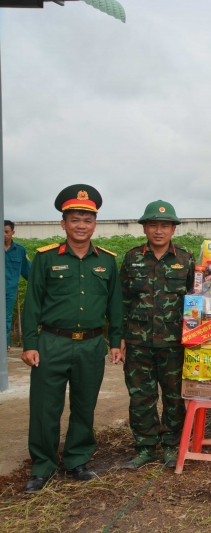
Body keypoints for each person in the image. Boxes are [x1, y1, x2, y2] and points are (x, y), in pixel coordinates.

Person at [20, 185, 123, 494]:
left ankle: (77, 460)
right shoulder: (46, 258)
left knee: (84, 405)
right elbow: (33, 304)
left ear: (95, 224)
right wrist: (28, 344)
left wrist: (115, 341)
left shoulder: (106, 261)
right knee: (44, 407)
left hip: (91, 345)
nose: (81, 225)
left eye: (87, 219)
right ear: (63, 224)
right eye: (75, 219)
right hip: (52, 343)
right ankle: (43, 466)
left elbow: (114, 304)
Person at [119, 201, 194, 469]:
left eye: (164, 225)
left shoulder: (185, 258)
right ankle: (145, 447)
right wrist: (121, 337)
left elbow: (194, 301)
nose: (158, 231)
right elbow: (123, 300)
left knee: (174, 396)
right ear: (144, 228)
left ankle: (173, 446)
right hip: (139, 342)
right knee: (141, 397)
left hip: (174, 343)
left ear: (173, 228)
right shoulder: (132, 258)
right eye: (153, 225)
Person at [5, 220, 31, 350]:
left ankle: (5, 343)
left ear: (12, 233)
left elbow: (28, 271)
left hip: (9, 290)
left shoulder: (19, 250)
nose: (3, 234)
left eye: (6, 232)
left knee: (6, 317)